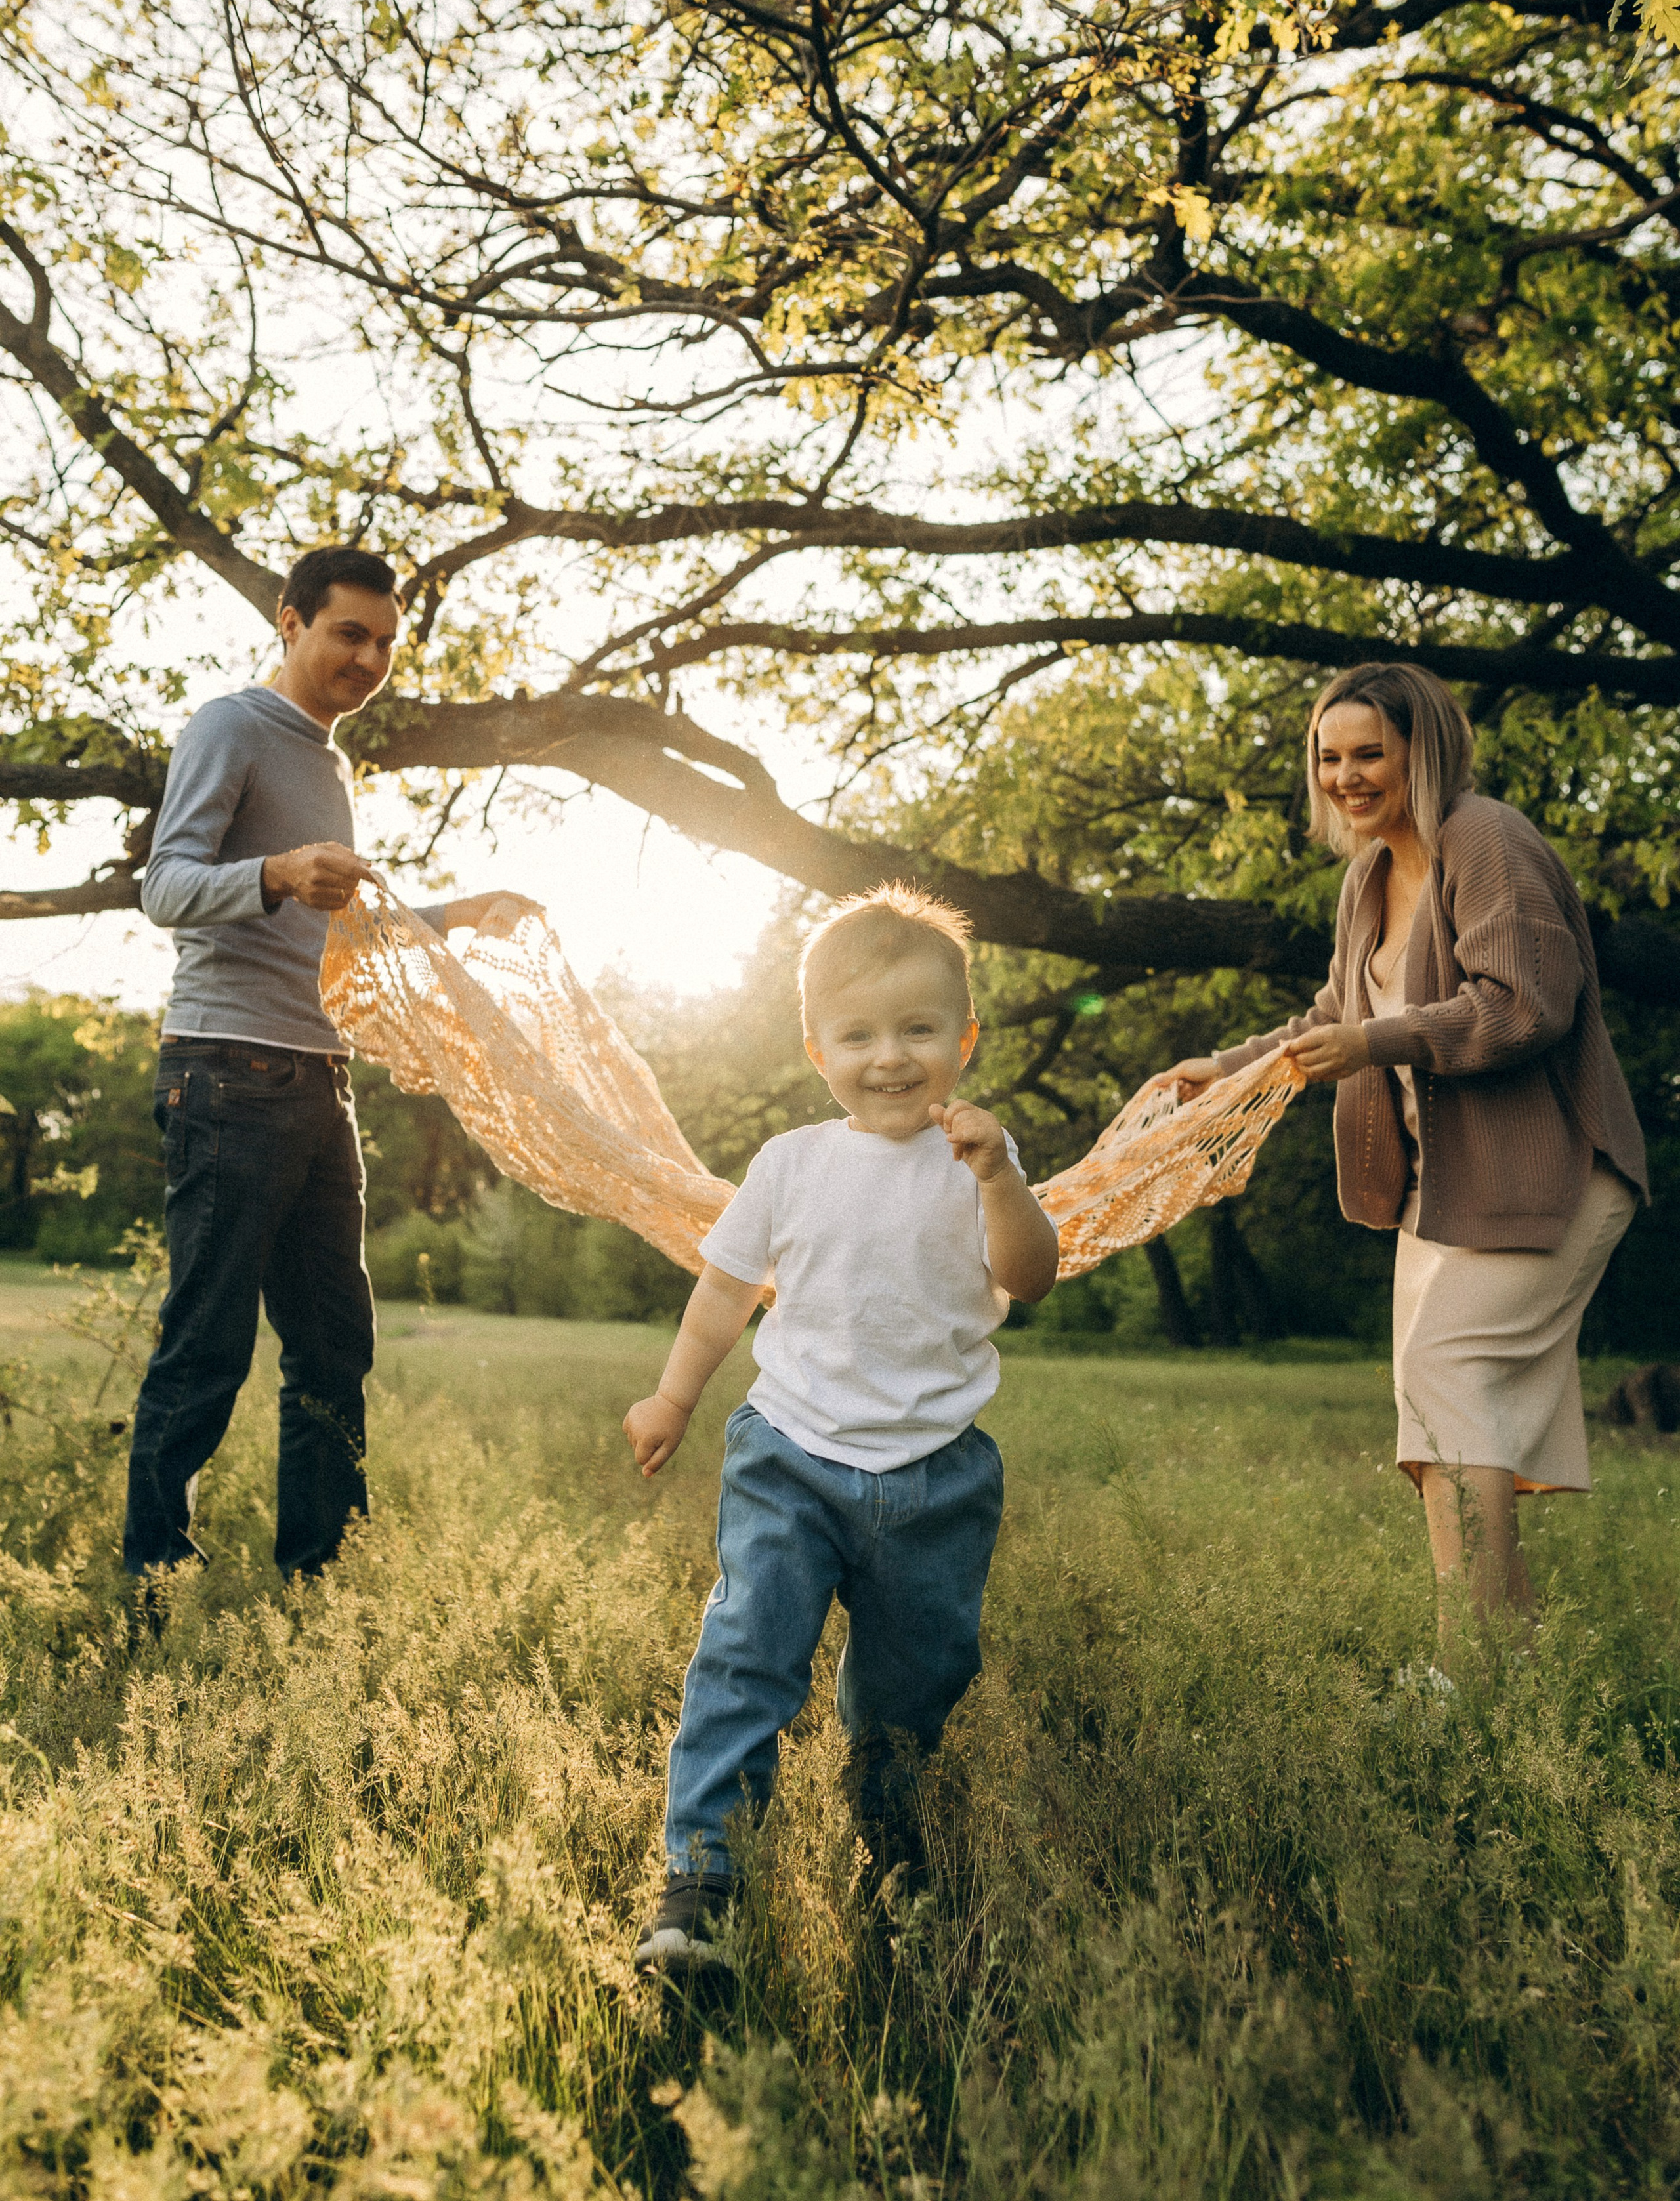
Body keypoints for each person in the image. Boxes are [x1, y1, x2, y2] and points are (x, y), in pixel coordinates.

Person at [1151, 663, 1647, 1673]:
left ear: (1425, 750)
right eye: (1329, 758)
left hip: (1548, 1173)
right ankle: (1499, 1667)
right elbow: (1340, 1016)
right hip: (1447, 1188)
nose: (1345, 776)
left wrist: (1377, 1046)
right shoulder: (1368, 875)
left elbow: (1524, 1005)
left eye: (1369, 753)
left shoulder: (1486, 840)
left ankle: (1471, 1676)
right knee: (1440, 1421)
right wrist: (1237, 1065)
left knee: (1446, 1381)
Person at [621, 884, 1060, 1971]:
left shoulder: (976, 1164)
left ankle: (889, 1831)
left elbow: (1032, 1277)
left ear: (964, 1041)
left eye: (919, 1031)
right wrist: (675, 1396)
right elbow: (725, 1291)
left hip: (939, 1475)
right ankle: (704, 1880)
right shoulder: (790, 1164)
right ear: (817, 1049)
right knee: (746, 1654)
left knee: (916, 1679)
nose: (890, 1057)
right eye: (858, 1035)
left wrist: (1001, 1176)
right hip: (792, 1454)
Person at [125, 546, 531, 1589]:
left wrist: (458, 913)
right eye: (350, 632)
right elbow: (165, 886)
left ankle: (321, 1583)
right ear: (290, 621)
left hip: (318, 1080)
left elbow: (331, 931)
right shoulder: (232, 727)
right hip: (225, 1074)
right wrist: (274, 871)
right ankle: (153, 1585)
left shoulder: (333, 763)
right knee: (207, 1351)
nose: (371, 657)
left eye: (388, 641)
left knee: (334, 1353)